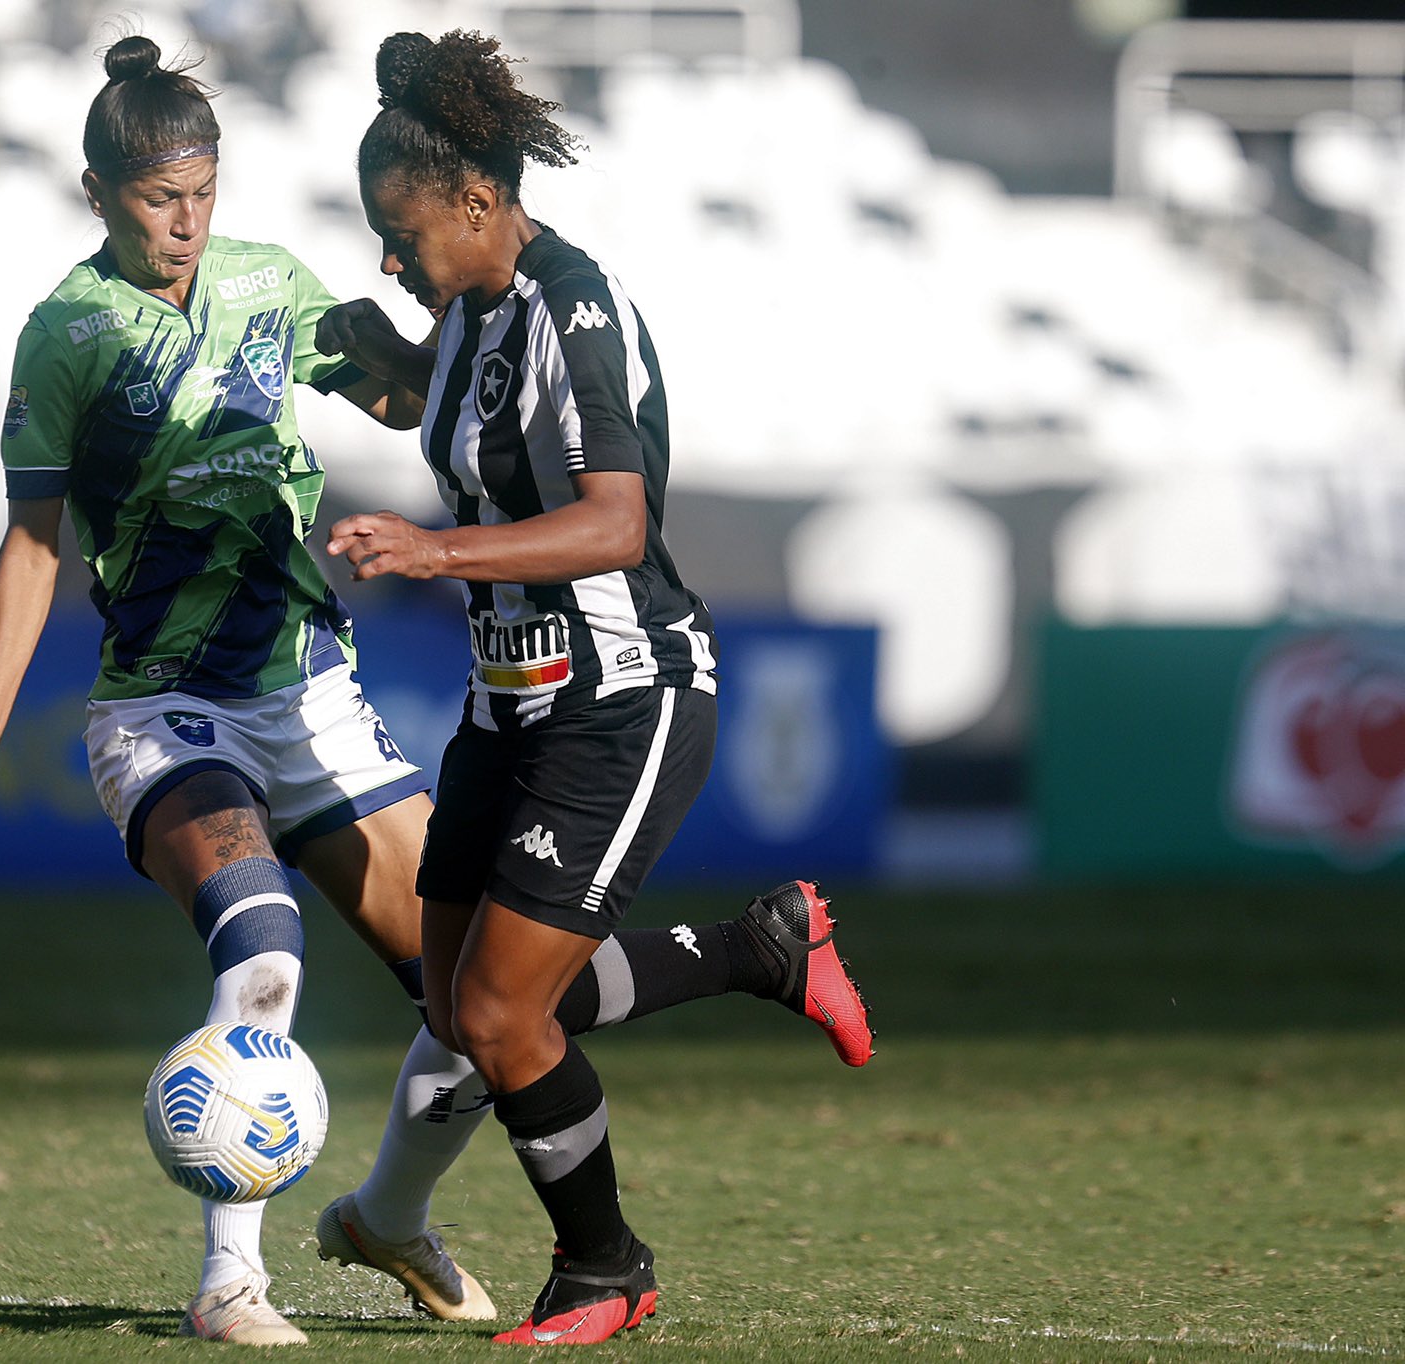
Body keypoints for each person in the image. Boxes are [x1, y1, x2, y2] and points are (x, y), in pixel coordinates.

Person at [0, 32, 869, 1348]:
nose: (185, 223)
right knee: (276, 945)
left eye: (203, 193)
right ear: (97, 191)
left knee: (481, 1011)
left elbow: (484, 441)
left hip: (328, 694)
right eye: (154, 196)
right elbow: (34, 541)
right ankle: (232, 1279)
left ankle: (414, 1206)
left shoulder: (305, 290)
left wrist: (396, 417)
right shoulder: (68, 335)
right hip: (166, 704)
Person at [317, 29, 876, 1347]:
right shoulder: (466, 315)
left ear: (474, 200)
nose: (389, 259)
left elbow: (614, 522)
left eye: (399, 232)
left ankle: (605, 1269)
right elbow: (445, 417)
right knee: (459, 1009)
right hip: (506, 701)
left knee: (503, 1013)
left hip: (623, 693)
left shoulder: (578, 307)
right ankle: (757, 950)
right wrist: (367, 362)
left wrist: (434, 550)